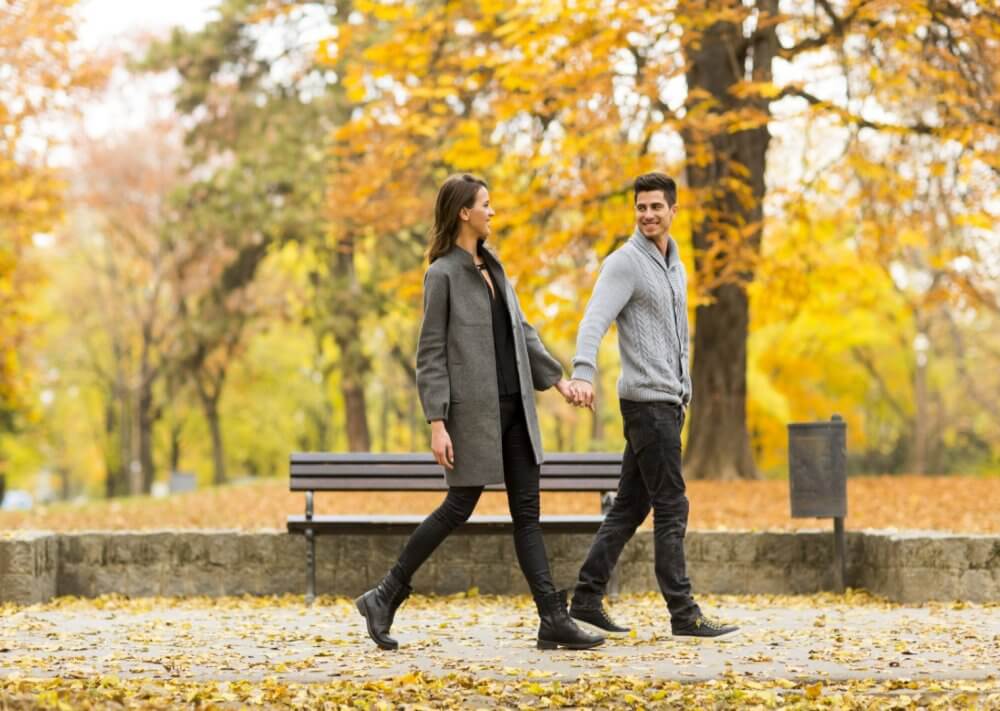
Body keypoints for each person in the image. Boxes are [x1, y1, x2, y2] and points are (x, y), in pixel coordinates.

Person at [355, 174, 604, 652]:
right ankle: (385, 594)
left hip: (518, 412)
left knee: (527, 515)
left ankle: (553, 618)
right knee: (458, 506)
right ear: (463, 213)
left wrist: (559, 382)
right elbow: (430, 353)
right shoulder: (442, 274)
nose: (492, 212)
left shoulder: (494, 265)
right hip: (473, 417)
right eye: (485, 204)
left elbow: (522, 332)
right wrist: (437, 423)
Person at [564, 172, 738, 639]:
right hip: (647, 404)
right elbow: (593, 321)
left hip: (670, 403)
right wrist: (583, 371)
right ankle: (684, 612)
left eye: (656, 207)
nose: (647, 215)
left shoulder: (675, 266)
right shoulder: (624, 264)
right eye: (641, 207)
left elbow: (678, 337)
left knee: (629, 507)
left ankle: (586, 596)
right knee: (672, 504)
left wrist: (685, 389)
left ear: (673, 210)